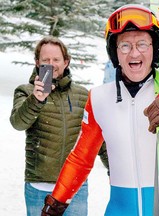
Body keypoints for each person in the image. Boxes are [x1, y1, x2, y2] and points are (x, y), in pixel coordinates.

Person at [41, 5, 159, 216]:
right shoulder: (99, 98)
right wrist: (56, 203)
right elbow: (81, 158)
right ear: (114, 52)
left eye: (143, 43)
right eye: (125, 45)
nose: (134, 52)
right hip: (119, 209)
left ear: (155, 48)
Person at [9, 36, 89, 215]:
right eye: (46, 60)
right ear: (38, 63)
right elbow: (18, 123)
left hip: (75, 186)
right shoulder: (26, 91)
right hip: (39, 187)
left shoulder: (82, 95)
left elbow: (95, 137)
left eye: (56, 60)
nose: (51, 64)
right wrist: (36, 100)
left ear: (66, 62)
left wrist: (112, 169)